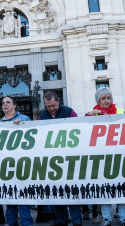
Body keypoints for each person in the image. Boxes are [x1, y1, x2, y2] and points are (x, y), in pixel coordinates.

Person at [85, 87, 125, 226]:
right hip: (101, 157)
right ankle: (106, 218)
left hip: (118, 156)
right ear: (98, 101)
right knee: (104, 189)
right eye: (103, 98)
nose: (106, 100)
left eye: (108, 98)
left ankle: (124, 218)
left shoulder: (120, 112)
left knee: (121, 189)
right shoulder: (92, 114)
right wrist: (90, 114)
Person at [38, 91, 81, 226]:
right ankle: (61, 220)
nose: (50, 109)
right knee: (57, 191)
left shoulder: (69, 112)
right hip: (52, 160)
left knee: (72, 191)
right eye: (47, 106)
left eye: (53, 105)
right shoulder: (42, 116)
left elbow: (79, 130)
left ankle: (76, 220)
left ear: (58, 101)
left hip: (69, 159)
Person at [0, 96, 32, 226]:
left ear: (15, 105)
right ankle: (10, 222)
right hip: (6, 164)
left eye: (8, 102)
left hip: (22, 163)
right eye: (3, 103)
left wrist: (22, 126)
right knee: (9, 194)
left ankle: (26, 223)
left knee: (22, 195)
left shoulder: (24, 119)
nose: (5, 105)